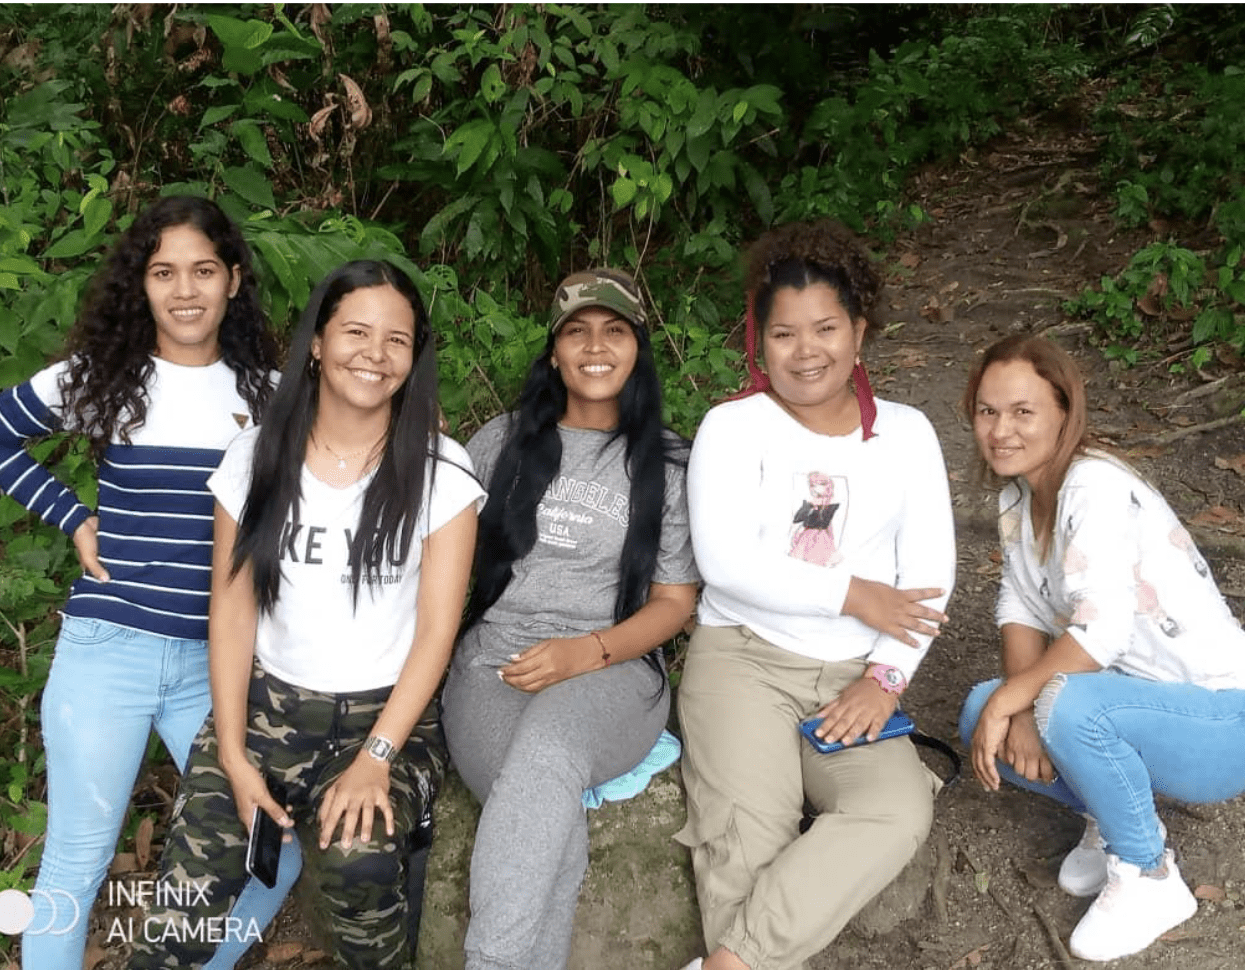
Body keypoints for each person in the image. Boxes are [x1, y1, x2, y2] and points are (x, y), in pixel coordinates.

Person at [0, 196, 294, 969]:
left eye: (203, 270)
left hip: (216, 664)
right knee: (73, 869)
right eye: (163, 272)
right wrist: (73, 517)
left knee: (275, 854)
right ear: (140, 284)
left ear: (233, 280)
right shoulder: (103, 378)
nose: (185, 290)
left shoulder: (271, 397)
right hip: (108, 653)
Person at [125, 260, 483, 969]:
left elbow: (436, 631)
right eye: (355, 332)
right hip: (267, 710)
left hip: (387, 719)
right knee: (178, 922)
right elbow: (232, 611)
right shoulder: (256, 457)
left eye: (396, 340)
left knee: (358, 863)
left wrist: (376, 759)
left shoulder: (441, 470)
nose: (374, 354)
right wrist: (233, 755)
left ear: (414, 358)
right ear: (317, 342)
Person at [676, 221, 955, 970]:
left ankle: (725, 964)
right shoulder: (732, 428)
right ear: (759, 342)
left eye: (826, 328)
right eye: (784, 333)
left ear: (859, 332)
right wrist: (854, 594)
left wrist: (885, 679)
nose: (806, 351)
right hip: (743, 662)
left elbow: (930, 574)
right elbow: (725, 563)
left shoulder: (906, 434)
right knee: (749, 842)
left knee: (896, 809)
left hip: (854, 676)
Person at [441, 269, 699, 970]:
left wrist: (588, 651)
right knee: (545, 825)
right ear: (554, 352)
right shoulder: (500, 442)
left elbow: (675, 603)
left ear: (637, 348)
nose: (595, 346)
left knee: (550, 752)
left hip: (615, 668)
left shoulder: (668, 463)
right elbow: (431, 536)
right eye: (576, 331)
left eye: (614, 331)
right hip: (494, 665)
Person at [958, 335, 1245, 962]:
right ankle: (1117, 819)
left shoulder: (1092, 486)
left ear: (1065, 412)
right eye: (987, 411)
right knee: (982, 712)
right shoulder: (1018, 496)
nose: (1000, 430)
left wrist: (1019, 700)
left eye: (1023, 411)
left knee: (1061, 705)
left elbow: (1101, 631)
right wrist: (1012, 709)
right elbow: (1019, 607)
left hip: (1222, 721)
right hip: (1135, 707)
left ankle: (1150, 877)